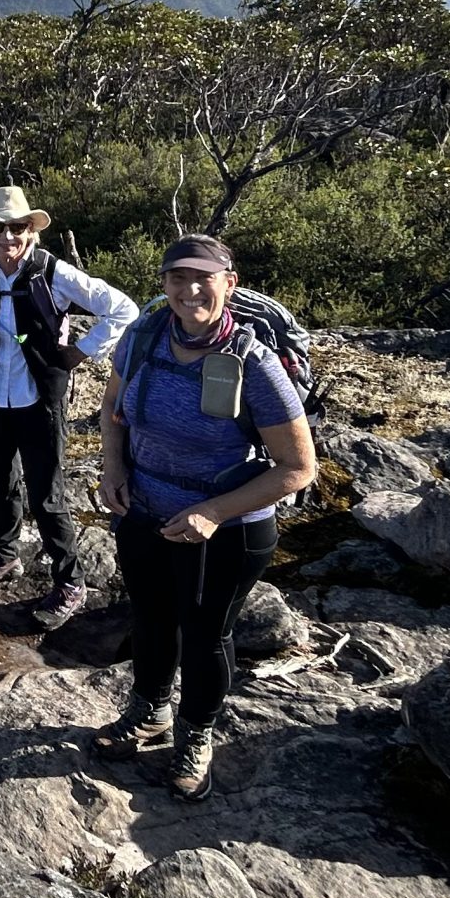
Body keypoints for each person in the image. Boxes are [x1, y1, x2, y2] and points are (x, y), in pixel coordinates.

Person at [94, 233, 317, 802]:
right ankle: (148, 713)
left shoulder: (253, 364)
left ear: (229, 284)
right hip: (144, 511)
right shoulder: (143, 338)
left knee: (205, 634)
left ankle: (196, 736)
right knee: (150, 619)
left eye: (203, 279)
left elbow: (298, 467)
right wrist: (113, 468)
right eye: (178, 278)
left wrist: (213, 512)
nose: (189, 290)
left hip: (228, 530)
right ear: (164, 284)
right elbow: (113, 407)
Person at [0, 187, 140, 626]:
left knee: (46, 493)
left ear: (31, 231)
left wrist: (82, 351)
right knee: (1, 481)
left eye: (17, 227)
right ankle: (3, 555)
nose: (8, 237)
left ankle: (70, 581)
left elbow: (123, 309)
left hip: (40, 399)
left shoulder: (52, 272)